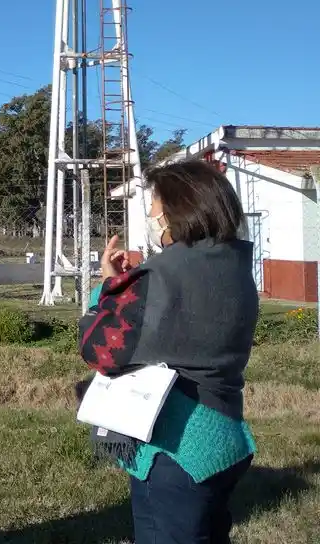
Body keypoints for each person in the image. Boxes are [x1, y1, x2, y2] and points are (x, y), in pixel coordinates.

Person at [77, 159, 259, 544]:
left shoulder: (161, 274)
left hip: (176, 446)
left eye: (155, 210)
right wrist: (135, 281)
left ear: (178, 212)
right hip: (224, 431)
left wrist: (110, 286)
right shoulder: (235, 262)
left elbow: (101, 349)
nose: (153, 218)